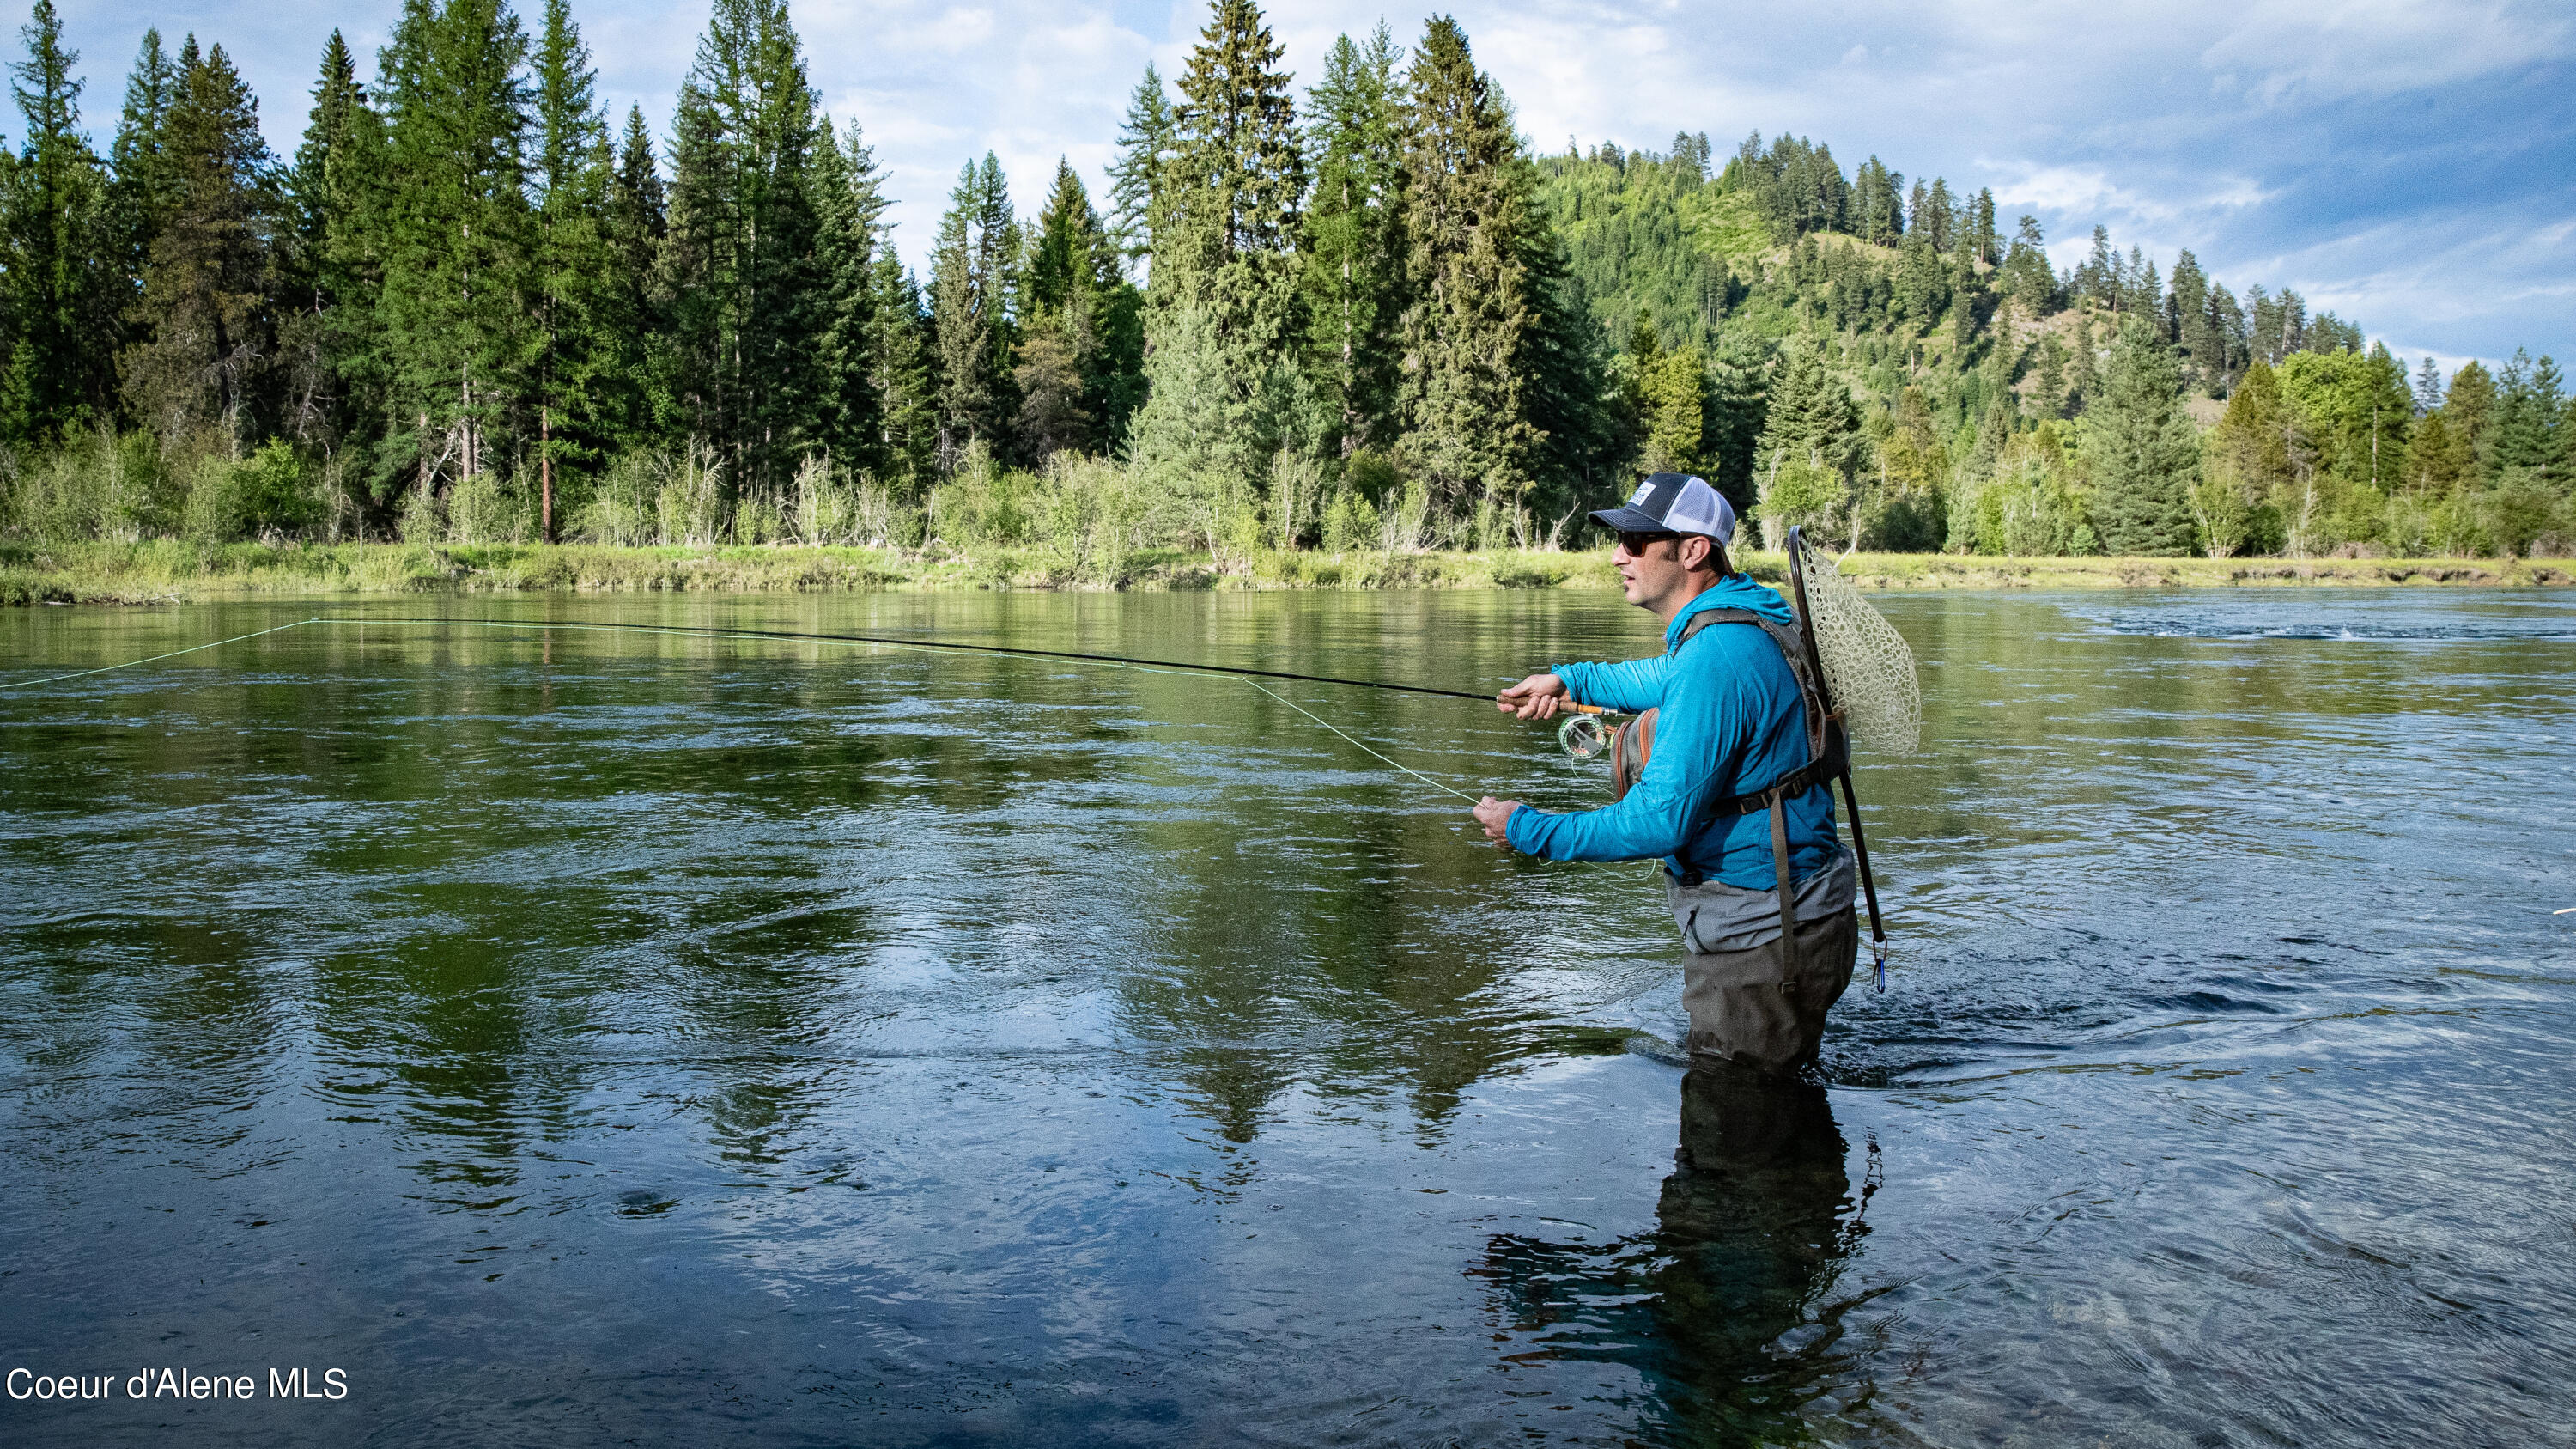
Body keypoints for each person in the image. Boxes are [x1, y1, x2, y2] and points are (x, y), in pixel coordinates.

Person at [1471, 472, 1858, 1075]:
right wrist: (1570, 680)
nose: (1617, 555)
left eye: (1637, 540)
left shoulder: (1717, 656)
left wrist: (1527, 828)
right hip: (1803, 913)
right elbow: (1663, 676)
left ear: (1694, 549)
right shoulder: (1746, 621)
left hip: (1758, 939)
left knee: (1734, 1139)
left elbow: (1658, 822)